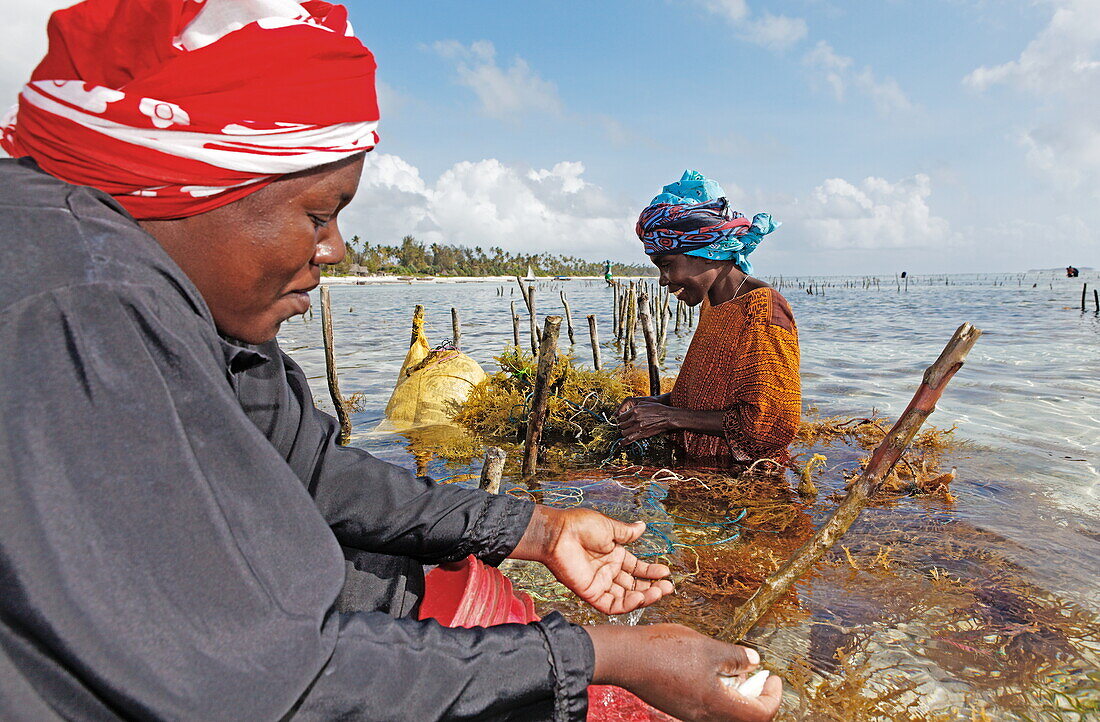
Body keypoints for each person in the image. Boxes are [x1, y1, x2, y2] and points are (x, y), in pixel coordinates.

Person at [0, 3, 782, 721]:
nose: (335, 249)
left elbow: (314, 473)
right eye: (318, 213)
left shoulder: (200, 310)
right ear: (187, 189)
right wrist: (606, 657)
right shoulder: (77, 306)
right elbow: (252, 679)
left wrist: (535, 528)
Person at [617, 171, 801, 468]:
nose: (663, 280)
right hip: (699, 473)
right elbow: (705, 398)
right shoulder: (714, 303)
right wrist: (653, 405)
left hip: (743, 488)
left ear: (706, 252)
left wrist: (669, 417)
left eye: (666, 265)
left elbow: (772, 426)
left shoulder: (763, 312)